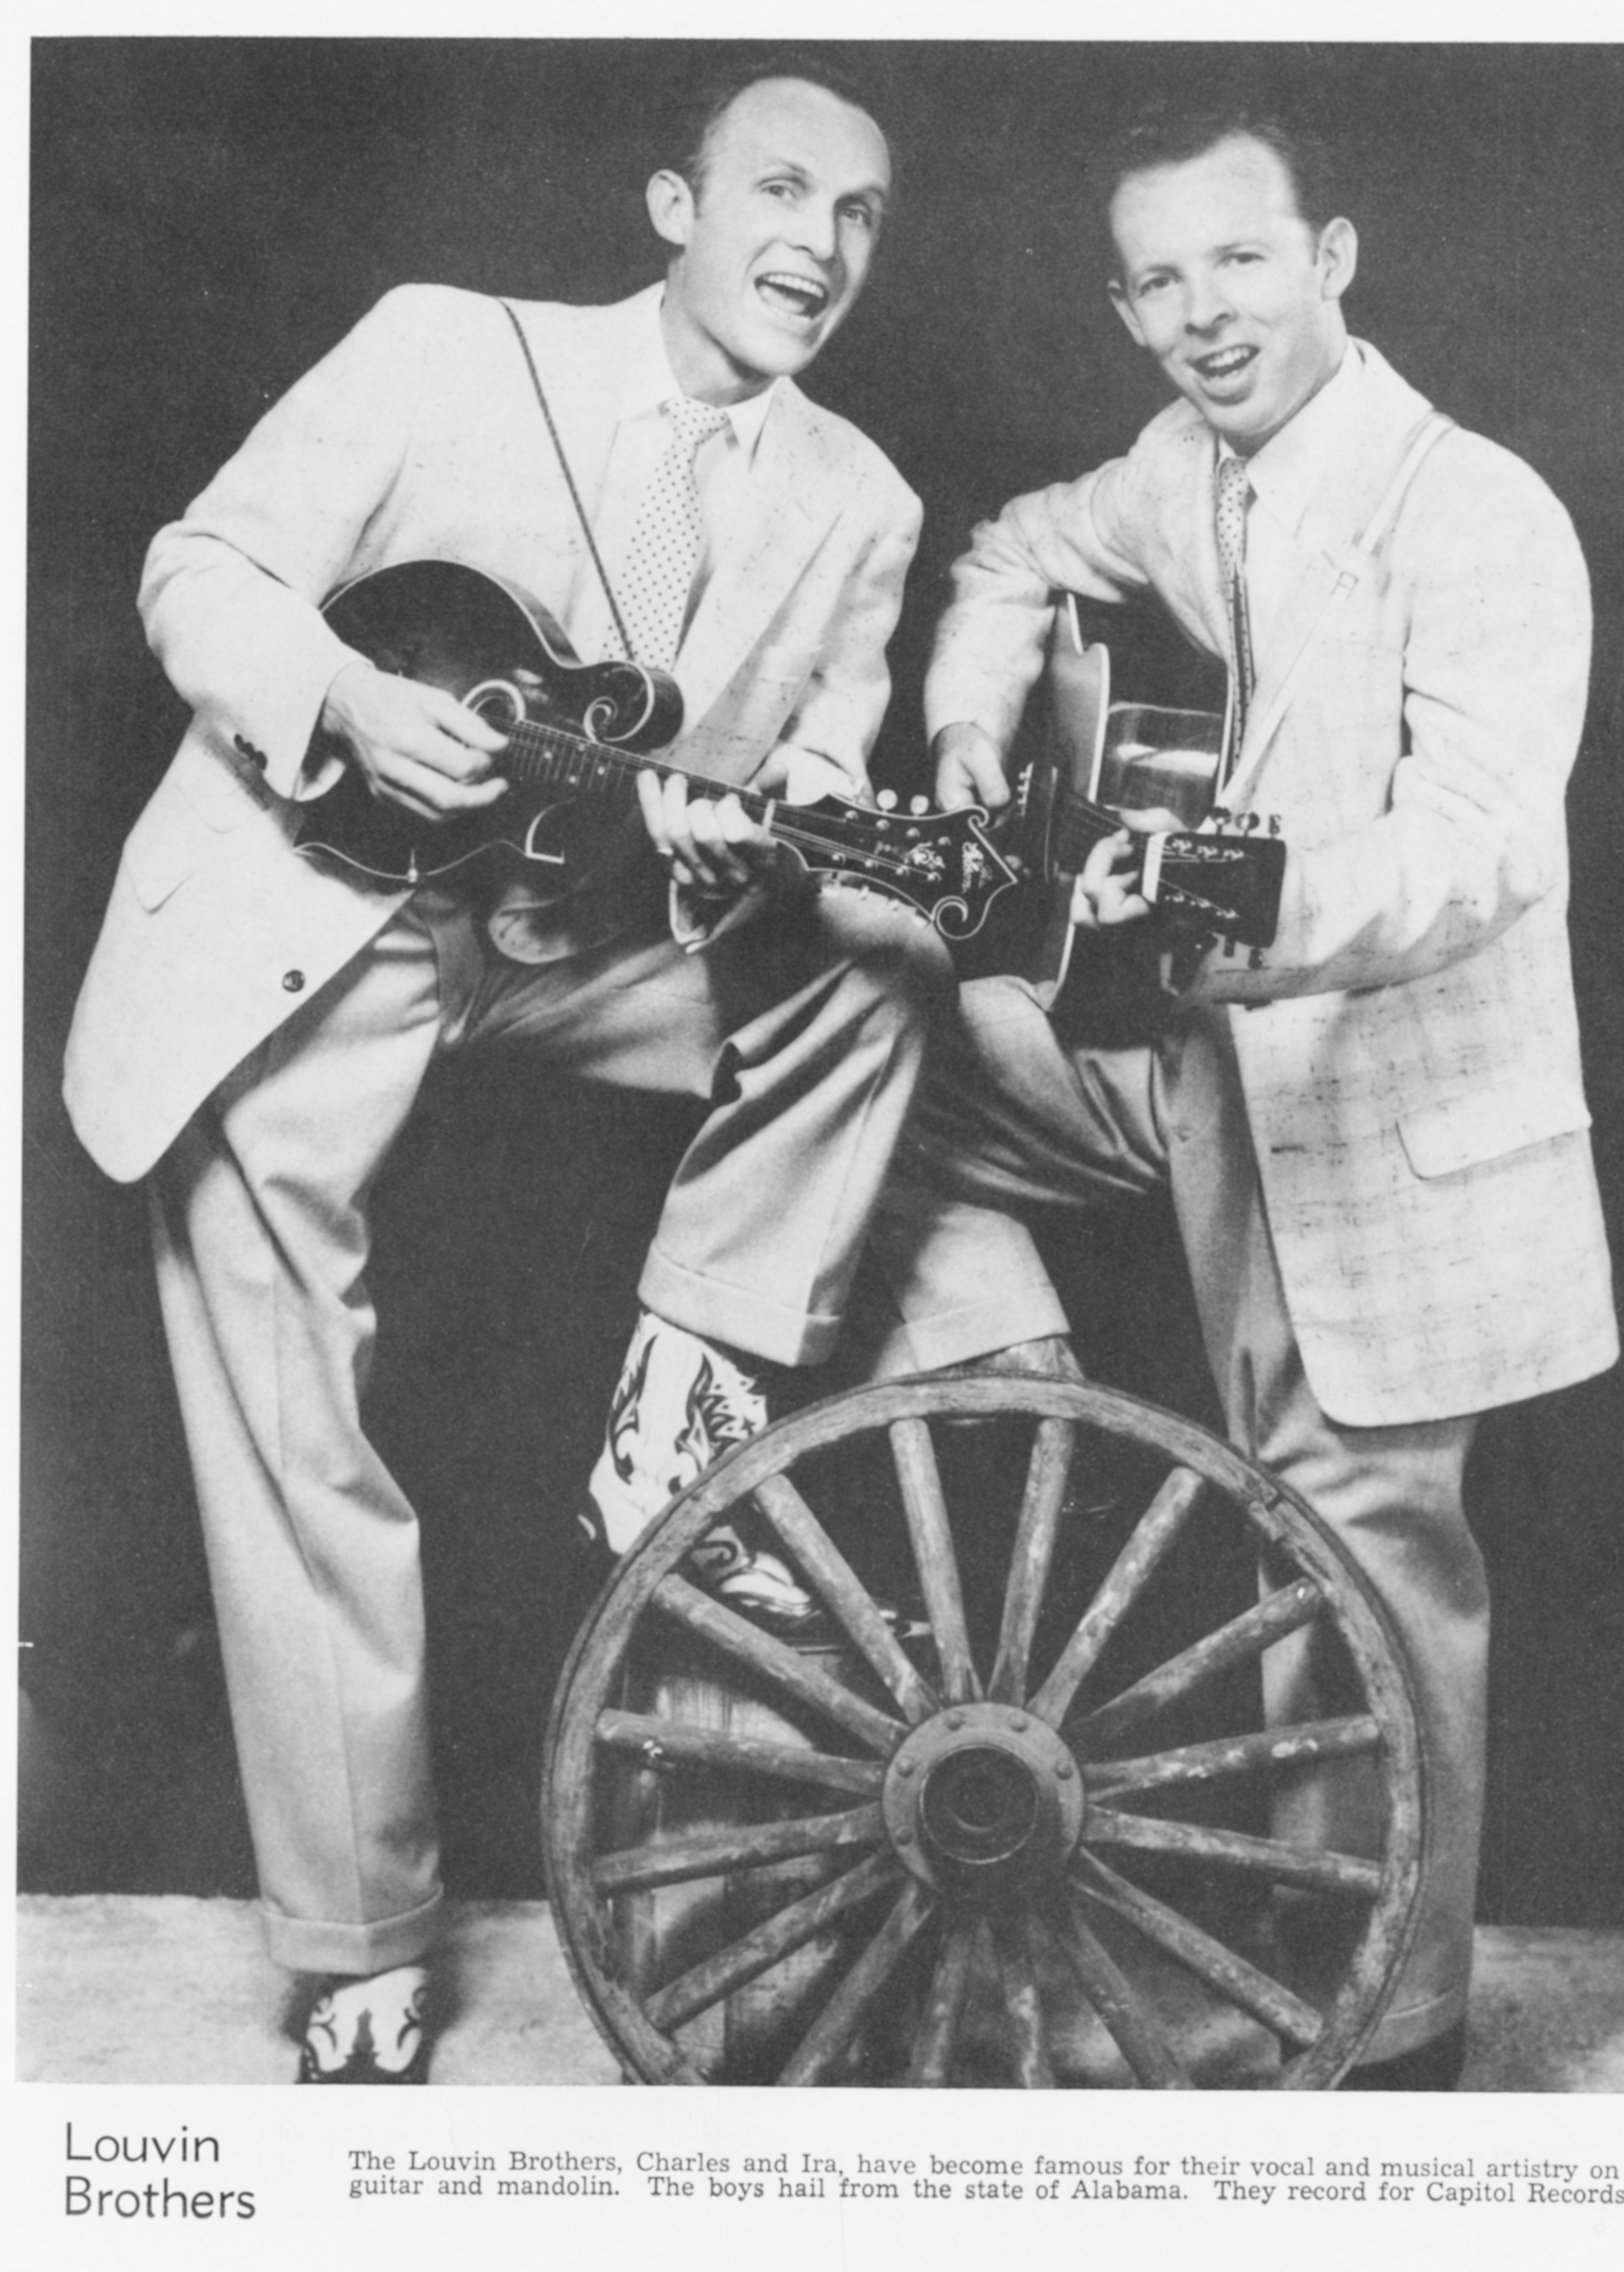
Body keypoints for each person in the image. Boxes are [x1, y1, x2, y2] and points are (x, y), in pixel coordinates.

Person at [62, 59, 960, 2083]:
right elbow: (200, 569)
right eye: (781, 191)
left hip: (591, 948)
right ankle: (361, 1941)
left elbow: (826, 756)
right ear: (674, 206)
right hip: (323, 907)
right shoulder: (446, 352)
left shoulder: (865, 500)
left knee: (890, 971)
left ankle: (685, 1394)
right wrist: (345, 697)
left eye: (860, 215)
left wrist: (769, 839)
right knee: (288, 1404)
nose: (820, 245)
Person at [880, 100, 1619, 2088]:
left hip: (1398, 1111)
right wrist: (965, 728)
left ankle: (1389, 2038)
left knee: (1366, 1545)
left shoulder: (1479, 510)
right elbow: (1011, 549)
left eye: (1240, 260)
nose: (1205, 313)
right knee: (871, 1073)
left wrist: (1225, 898)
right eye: (1160, 280)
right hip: (1209, 1082)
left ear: (1331, 260)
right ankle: (1016, 1370)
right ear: (1127, 311)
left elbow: (1478, 853)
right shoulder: (1174, 472)